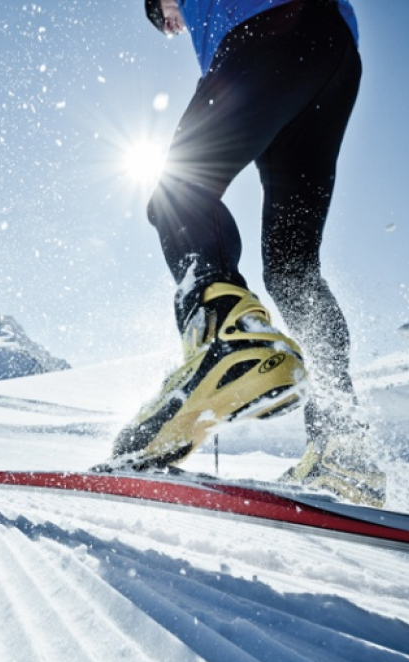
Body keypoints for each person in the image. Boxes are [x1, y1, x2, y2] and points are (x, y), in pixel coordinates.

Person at [106, 0, 384, 506]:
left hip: (266, 32)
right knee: (293, 268)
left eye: (161, 12)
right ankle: (343, 446)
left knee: (176, 190)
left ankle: (228, 340)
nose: (171, 24)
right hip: (334, 54)